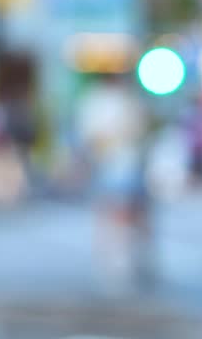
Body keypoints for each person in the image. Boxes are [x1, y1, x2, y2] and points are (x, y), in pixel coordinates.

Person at [77, 73, 153, 289]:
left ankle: (124, 256)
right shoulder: (104, 101)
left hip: (124, 163)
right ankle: (116, 258)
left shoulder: (125, 100)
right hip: (114, 164)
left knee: (125, 211)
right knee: (115, 210)